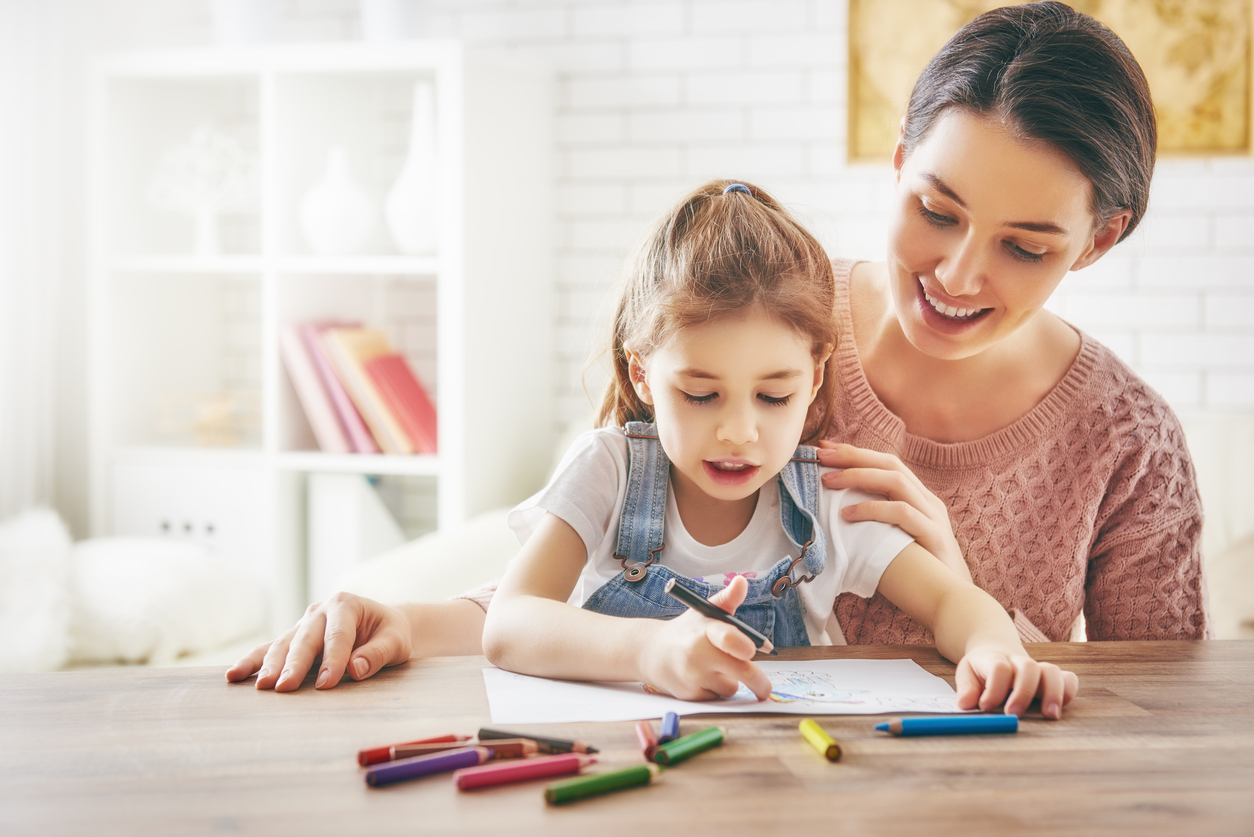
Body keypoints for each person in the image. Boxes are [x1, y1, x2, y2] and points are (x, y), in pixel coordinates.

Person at [226, 1, 1205, 694]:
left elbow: (1165, 716)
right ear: (901, 164)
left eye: (1025, 246)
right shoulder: (764, 310)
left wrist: (974, 596)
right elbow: (608, 560)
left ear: (1099, 240)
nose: (955, 273)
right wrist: (411, 621)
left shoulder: (1130, 445)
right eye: (935, 210)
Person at [478, 179, 1076, 716]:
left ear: (814, 379)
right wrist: (651, 650)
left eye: (772, 398)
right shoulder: (607, 471)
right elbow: (510, 623)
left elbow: (953, 603)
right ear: (641, 376)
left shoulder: (827, 502)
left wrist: (994, 648)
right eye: (700, 394)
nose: (739, 432)